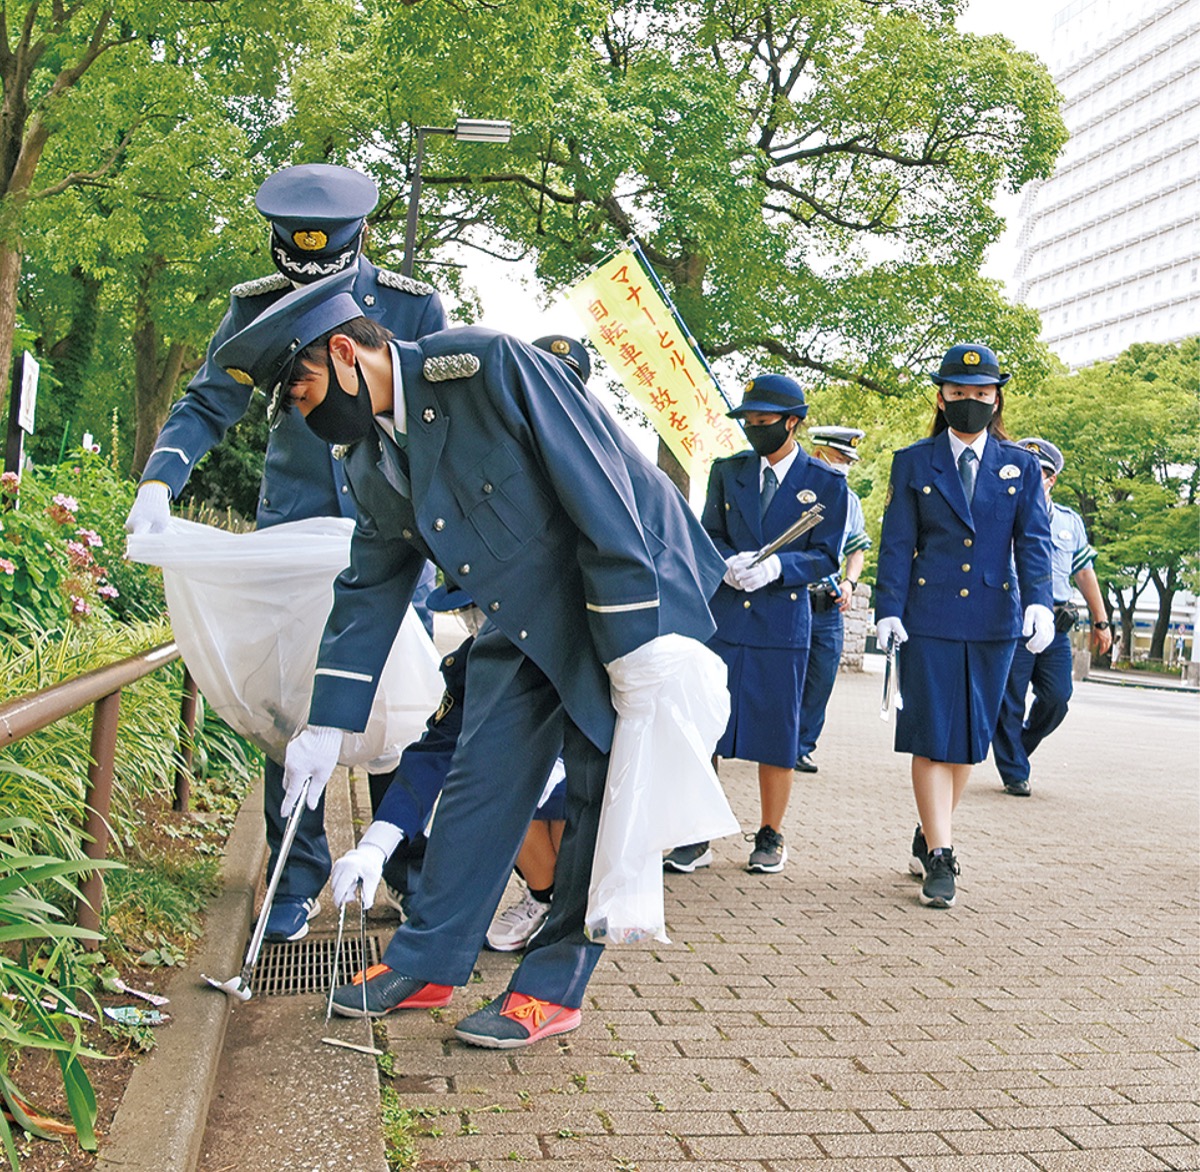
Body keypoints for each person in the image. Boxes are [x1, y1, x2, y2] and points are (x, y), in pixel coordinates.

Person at [213, 270, 726, 1048]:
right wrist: (326, 726)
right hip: (522, 617)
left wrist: (633, 643)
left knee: (597, 789)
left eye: (303, 389)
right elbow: (369, 588)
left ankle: (551, 988)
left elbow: (604, 493)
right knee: (479, 784)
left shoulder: (484, 368)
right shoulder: (368, 460)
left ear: (347, 352)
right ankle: (430, 959)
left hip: (621, 593)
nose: (301, 410)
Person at [124, 164, 446, 943]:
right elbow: (210, 400)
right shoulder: (253, 306)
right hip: (293, 530)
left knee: (400, 699)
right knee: (288, 708)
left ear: (360, 238)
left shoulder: (409, 303)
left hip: (393, 529)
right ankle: (296, 876)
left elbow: (438, 411)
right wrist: (160, 481)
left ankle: (404, 866)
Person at [874, 344, 1053, 909]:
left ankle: (930, 832)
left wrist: (1040, 602)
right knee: (932, 735)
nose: (969, 402)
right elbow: (898, 543)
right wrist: (888, 609)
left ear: (996, 396)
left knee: (968, 743)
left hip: (993, 621)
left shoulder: (1021, 466)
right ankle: (943, 858)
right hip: (928, 618)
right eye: (958, 392)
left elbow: (1034, 542)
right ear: (942, 396)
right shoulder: (914, 461)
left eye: (981, 393)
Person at [664, 375, 848, 875]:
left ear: (792, 422)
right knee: (706, 726)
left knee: (777, 731)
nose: (754, 430)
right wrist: (726, 562)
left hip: (781, 622)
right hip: (725, 617)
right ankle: (695, 831)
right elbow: (709, 534)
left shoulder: (827, 483)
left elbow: (825, 555)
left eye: (764, 422)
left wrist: (777, 568)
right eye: (748, 421)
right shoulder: (729, 472)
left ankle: (770, 833)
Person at [991, 438, 1111, 796]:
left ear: (1052, 479)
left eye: (1039, 473)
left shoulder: (1069, 523)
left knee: (1058, 697)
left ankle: (1015, 749)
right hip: (1012, 620)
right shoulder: (998, 512)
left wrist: (1101, 622)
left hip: (1056, 625)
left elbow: (1085, 572)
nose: (1032, 478)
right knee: (1009, 699)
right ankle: (1014, 771)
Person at [793, 426, 872, 774]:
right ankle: (774, 742)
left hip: (828, 605)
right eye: (840, 459)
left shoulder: (849, 500)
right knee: (784, 675)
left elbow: (856, 550)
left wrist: (851, 582)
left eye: (849, 462)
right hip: (792, 598)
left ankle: (801, 748)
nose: (844, 468)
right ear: (818, 452)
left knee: (820, 679)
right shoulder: (791, 490)